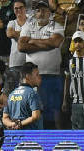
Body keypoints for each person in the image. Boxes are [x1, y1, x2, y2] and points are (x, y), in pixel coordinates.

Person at [18, 0, 64, 129]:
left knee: (54, 108)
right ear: (34, 12)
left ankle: (55, 136)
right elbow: (21, 46)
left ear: (49, 12)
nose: (41, 13)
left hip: (52, 74)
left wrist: (32, 41)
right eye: (38, 10)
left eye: (44, 9)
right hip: (33, 78)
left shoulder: (57, 25)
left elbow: (55, 43)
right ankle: (36, 135)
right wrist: (46, 44)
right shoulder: (28, 25)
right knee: (34, 108)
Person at [3, 62, 43, 130]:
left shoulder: (11, 94)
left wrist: (13, 124)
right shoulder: (32, 93)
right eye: (37, 74)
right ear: (28, 76)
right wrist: (19, 124)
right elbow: (36, 116)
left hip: (16, 136)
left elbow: (5, 118)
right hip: (32, 136)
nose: (40, 77)